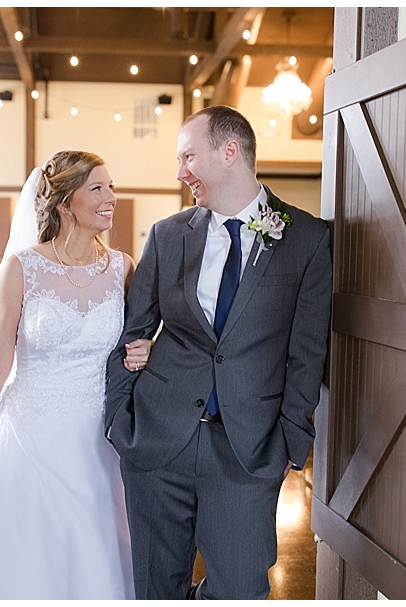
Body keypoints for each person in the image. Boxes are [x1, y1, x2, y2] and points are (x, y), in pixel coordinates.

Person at [104, 105, 332, 599]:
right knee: (156, 588)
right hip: (158, 441)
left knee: (239, 590)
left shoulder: (308, 239)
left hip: (247, 450)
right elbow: (131, 331)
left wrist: (290, 442)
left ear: (230, 152)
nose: (180, 172)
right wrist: (119, 421)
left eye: (188, 156)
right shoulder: (169, 234)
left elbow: (307, 353)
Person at [0, 151, 148, 599]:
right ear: (65, 203)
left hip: (100, 438)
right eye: (98, 189)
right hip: (28, 436)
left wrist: (145, 350)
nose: (112, 198)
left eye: (111, 187)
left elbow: (140, 340)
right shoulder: (23, 268)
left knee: (100, 551)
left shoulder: (123, 268)